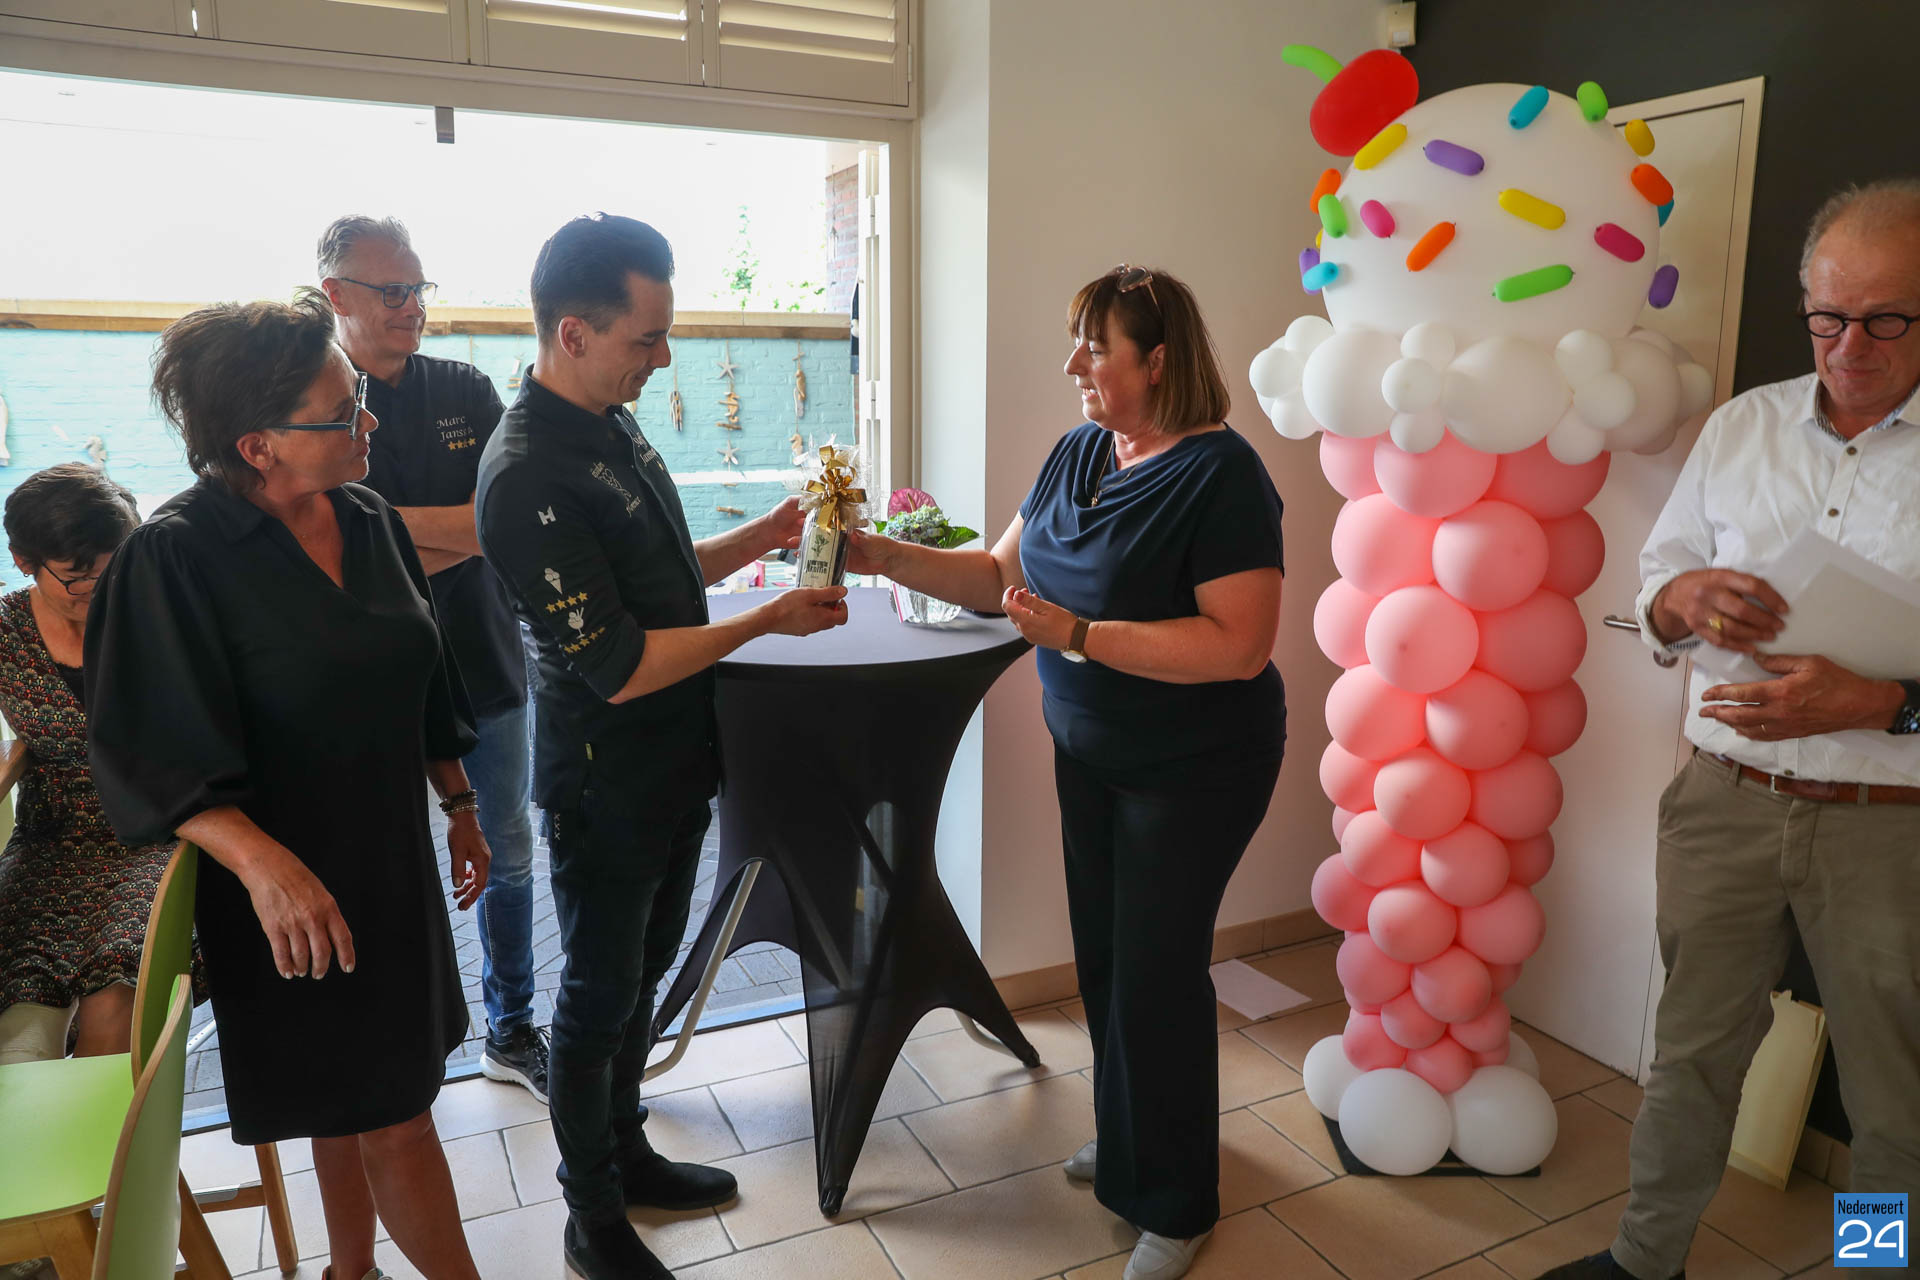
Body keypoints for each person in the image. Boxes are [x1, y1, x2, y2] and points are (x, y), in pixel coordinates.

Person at [850, 264, 1286, 1280]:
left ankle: (1176, 1200)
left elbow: (1240, 645)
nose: (1073, 365)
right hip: (1092, 752)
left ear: (1158, 360)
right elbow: (995, 574)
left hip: (1196, 767)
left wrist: (1081, 634)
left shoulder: (1221, 476)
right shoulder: (1080, 451)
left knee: (1156, 973)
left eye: (1095, 347)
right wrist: (882, 555)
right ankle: (1137, 1143)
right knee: (1107, 963)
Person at [1537, 180, 1920, 1280]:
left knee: (1892, 1095)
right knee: (1692, 1058)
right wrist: (1678, 600)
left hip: (1889, 821)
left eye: (1886, 318)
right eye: (1827, 317)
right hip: (1725, 799)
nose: (1850, 346)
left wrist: (1884, 701)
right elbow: (1658, 582)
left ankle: (1874, 1269)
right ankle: (1644, 1259)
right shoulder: (1744, 425)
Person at [85, 293, 491, 1280]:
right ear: (257, 444)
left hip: (388, 861)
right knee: (394, 1116)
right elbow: (147, 752)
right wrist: (265, 867)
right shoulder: (176, 556)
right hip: (282, 891)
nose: (370, 422)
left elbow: (424, 676)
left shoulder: (368, 517)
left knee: (358, 1103)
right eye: (344, 412)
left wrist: (459, 801)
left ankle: (350, 1271)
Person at [475, 213, 848, 1280]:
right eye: (647, 339)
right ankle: (590, 1216)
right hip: (605, 784)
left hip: (675, 762)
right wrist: (767, 619)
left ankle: (626, 1148)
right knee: (595, 1001)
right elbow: (622, 662)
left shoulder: (609, 422)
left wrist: (763, 540)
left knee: (642, 979)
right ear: (574, 333)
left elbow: (664, 572)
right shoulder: (526, 473)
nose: (666, 358)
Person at [318, 214, 548, 1103]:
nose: (412, 306)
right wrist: (449, 533)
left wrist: (384, 535)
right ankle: (396, 1042)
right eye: (392, 291)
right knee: (382, 860)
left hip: (484, 658)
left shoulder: (463, 387)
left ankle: (512, 1027)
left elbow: (506, 522)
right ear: (336, 294)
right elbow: (328, 541)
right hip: (368, 680)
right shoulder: (315, 397)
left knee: (509, 847)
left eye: (418, 288)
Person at [0, 464, 183, 1065]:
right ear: (24, 561)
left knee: (115, 996)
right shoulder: (7, 632)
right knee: (19, 1002)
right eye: (79, 579)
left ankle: (112, 1127)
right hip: (50, 840)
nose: (102, 590)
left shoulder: (159, 612)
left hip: (159, 831)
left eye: (114, 569)